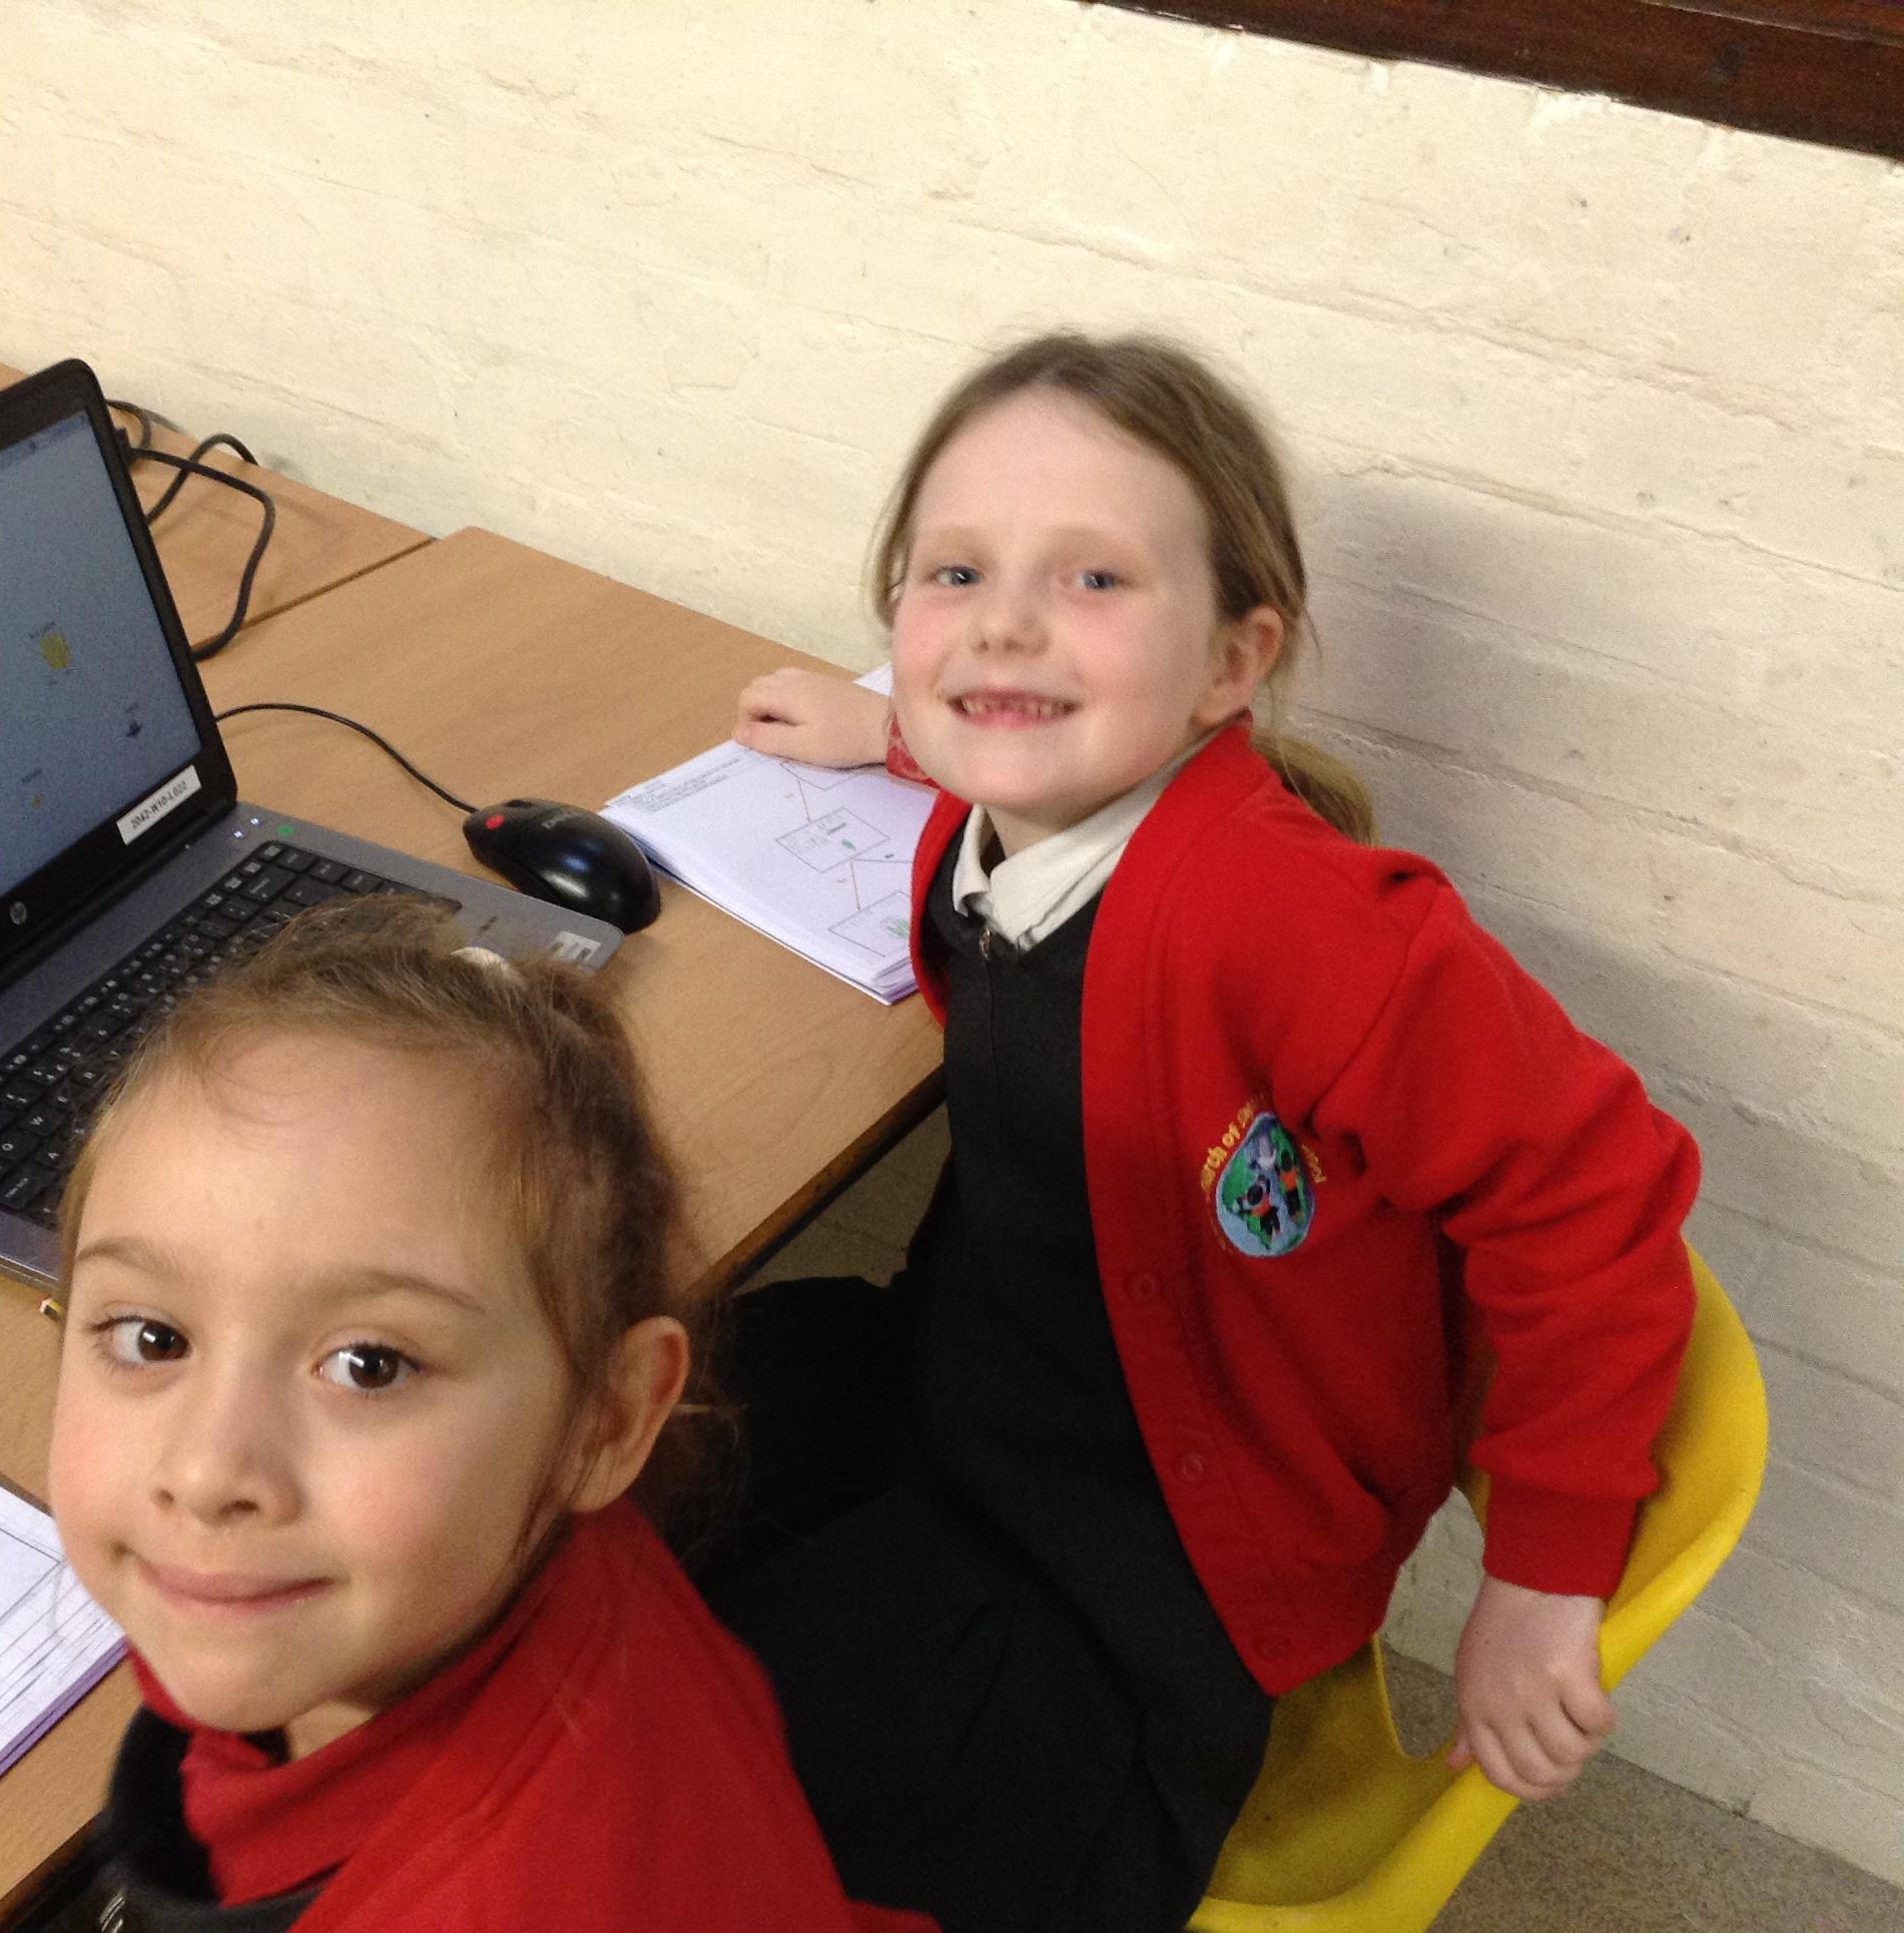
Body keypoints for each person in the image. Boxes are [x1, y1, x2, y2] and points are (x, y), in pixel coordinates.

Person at [708, 332, 1701, 1931]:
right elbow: (1012, 725)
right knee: (599, 1455)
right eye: (954, 573)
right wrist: (889, 731)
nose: (1003, 623)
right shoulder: (996, 811)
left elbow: (1597, 1193)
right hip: (977, 1373)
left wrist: (1548, 1568)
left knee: (698, 1790)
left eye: (1094, 579)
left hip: (1149, 1554)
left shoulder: (1302, 931)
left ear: (1234, 664)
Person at [41, 897, 935, 1933]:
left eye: (370, 1365)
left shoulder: (513, 1895)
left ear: (606, 1421)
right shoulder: (491, 1556)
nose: (205, 1472)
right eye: (153, 1338)